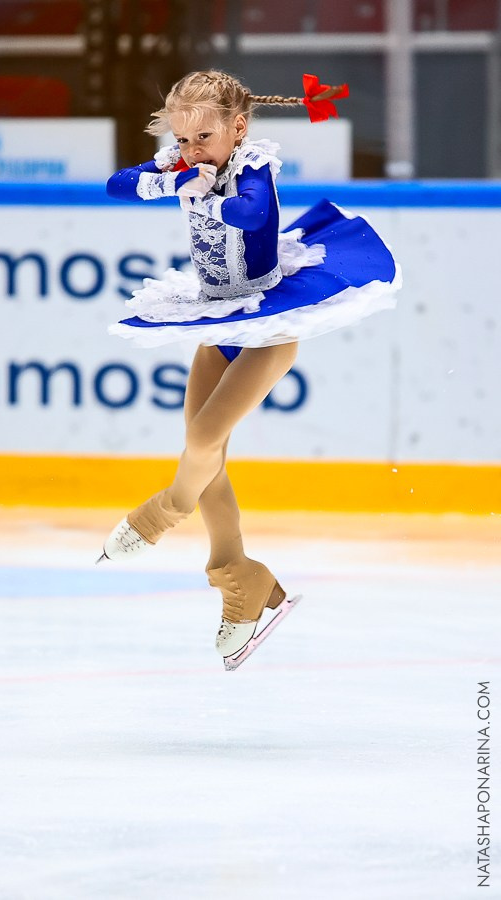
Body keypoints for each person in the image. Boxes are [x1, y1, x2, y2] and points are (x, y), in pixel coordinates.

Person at [101, 70, 400, 667]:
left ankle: (163, 512)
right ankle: (240, 579)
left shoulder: (254, 167)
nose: (190, 151)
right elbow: (116, 185)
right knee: (205, 454)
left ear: (238, 128)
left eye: (203, 139)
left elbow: (250, 215)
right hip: (219, 325)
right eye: (181, 141)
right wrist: (170, 178)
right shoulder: (183, 160)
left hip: (268, 330)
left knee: (203, 438)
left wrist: (203, 187)